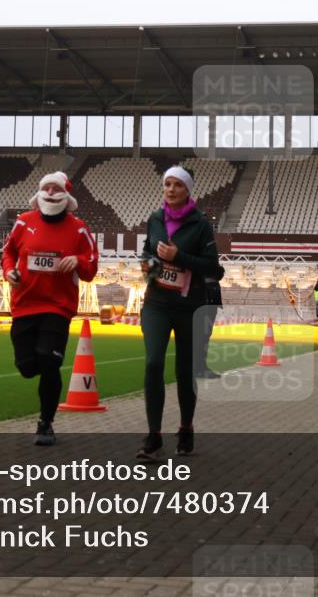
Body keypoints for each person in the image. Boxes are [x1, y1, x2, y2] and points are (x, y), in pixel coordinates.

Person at [1, 171, 99, 446]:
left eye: (57, 189)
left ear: (67, 196)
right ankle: (43, 394)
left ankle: (45, 423)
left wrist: (78, 261)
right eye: (48, 188)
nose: (52, 192)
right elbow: (8, 253)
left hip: (58, 306)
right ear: (40, 193)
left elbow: (91, 269)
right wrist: (9, 271)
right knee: (27, 367)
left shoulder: (79, 229)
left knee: (48, 359)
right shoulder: (24, 222)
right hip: (24, 304)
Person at [138, 166, 221, 460]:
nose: (170, 189)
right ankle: (154, 435)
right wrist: (148, 264)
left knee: (185, 371)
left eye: (177, 185)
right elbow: (148, 251)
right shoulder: (155, 219)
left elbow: (213, 268)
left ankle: (186, 428)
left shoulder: (200, 225)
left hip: (189, 307)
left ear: (187, 190)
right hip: (157, 303)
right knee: (153, 362)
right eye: (166, 184)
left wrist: (179, 257)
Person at [195, 265, 225, 379]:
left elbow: (220, 273)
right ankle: (199, 369)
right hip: (205, 304)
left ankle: (200, 368)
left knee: (204, 338)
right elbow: (219, 272)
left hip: (210, 304)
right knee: (201, 338)